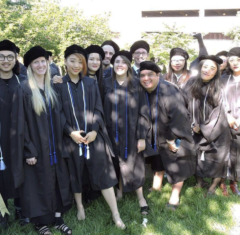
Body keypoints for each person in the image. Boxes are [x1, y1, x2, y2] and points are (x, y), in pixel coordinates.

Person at [55, 44, 126, 229]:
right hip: (72, 139)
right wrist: (70, 132)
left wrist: (94, 130)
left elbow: (97, 108)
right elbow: (58, 113)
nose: (76, 65)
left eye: (80, 61)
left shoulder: (90, 83)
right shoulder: (59, 85)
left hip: (93, 138)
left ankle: (115, 213)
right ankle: (79, 206)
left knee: (102, 172)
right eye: (72, 61)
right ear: (65, 62)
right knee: (76, 172)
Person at [11, 46, 73, 235]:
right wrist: (29, 150)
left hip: (54, 146)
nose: (40, 65)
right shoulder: (23, 89)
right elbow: (19, 124)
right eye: (36, 62)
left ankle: (57, 217)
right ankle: (40, 222)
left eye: (43, 61)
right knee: (37, 182)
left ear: (48, 63)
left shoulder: (52, 87)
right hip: (36, 147)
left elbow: (61, 116)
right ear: (29, 66)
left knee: (55, 180)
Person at [138, 61, 196, 209]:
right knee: (158, 159)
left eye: (150, 74)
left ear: (158, 75)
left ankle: (174, 197)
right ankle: (156, 186)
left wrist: (171, 139)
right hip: (157, 133)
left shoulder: (168, 91)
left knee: (176, 163)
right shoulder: (146, 90)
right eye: (142, 75)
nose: (146, 78)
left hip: (174, 134)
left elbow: (179, 117)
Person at [0, 40, 27, 227]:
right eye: (1, 57)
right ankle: (2, 211)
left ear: (16, 59)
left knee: (21, 168)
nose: (6, 60)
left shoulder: (24, 82)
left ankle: (21, 208)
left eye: (10, 57)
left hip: (20, 136)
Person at [103, 50, 148, 215]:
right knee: (115, 162)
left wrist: (142, 137)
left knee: (135, 164)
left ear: (128, 65)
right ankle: (120, 191)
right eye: (116, 62)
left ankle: (141, 197)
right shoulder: (106, 83)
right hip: (111, 131)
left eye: (123, 62)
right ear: (112, 65)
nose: (119, 65)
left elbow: (144, 111)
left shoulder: (136, 84)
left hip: (132, 132)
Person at [184, 55, 231, 195]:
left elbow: (220, 111)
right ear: (200, 68)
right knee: (196, 157)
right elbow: (182, 103)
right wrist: (190, 124)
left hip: (217, 129)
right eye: (205, 67)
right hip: (193, 127)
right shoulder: (191, 83)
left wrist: (203, 128)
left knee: (217, 158)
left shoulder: (219, 86)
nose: (208, 70)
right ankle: (200, 182)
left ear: (216, 71)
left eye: (212, 68)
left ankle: (212, 186)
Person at [221, 47, 240, 196]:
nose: (235, 63)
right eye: (232, 60)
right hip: (225, 120)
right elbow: (219, 99)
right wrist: (227, 116)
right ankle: (222, 182)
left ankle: (234, 182)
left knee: (237, 153)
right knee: (224, 153)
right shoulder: (223, 79)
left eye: (238, 60)